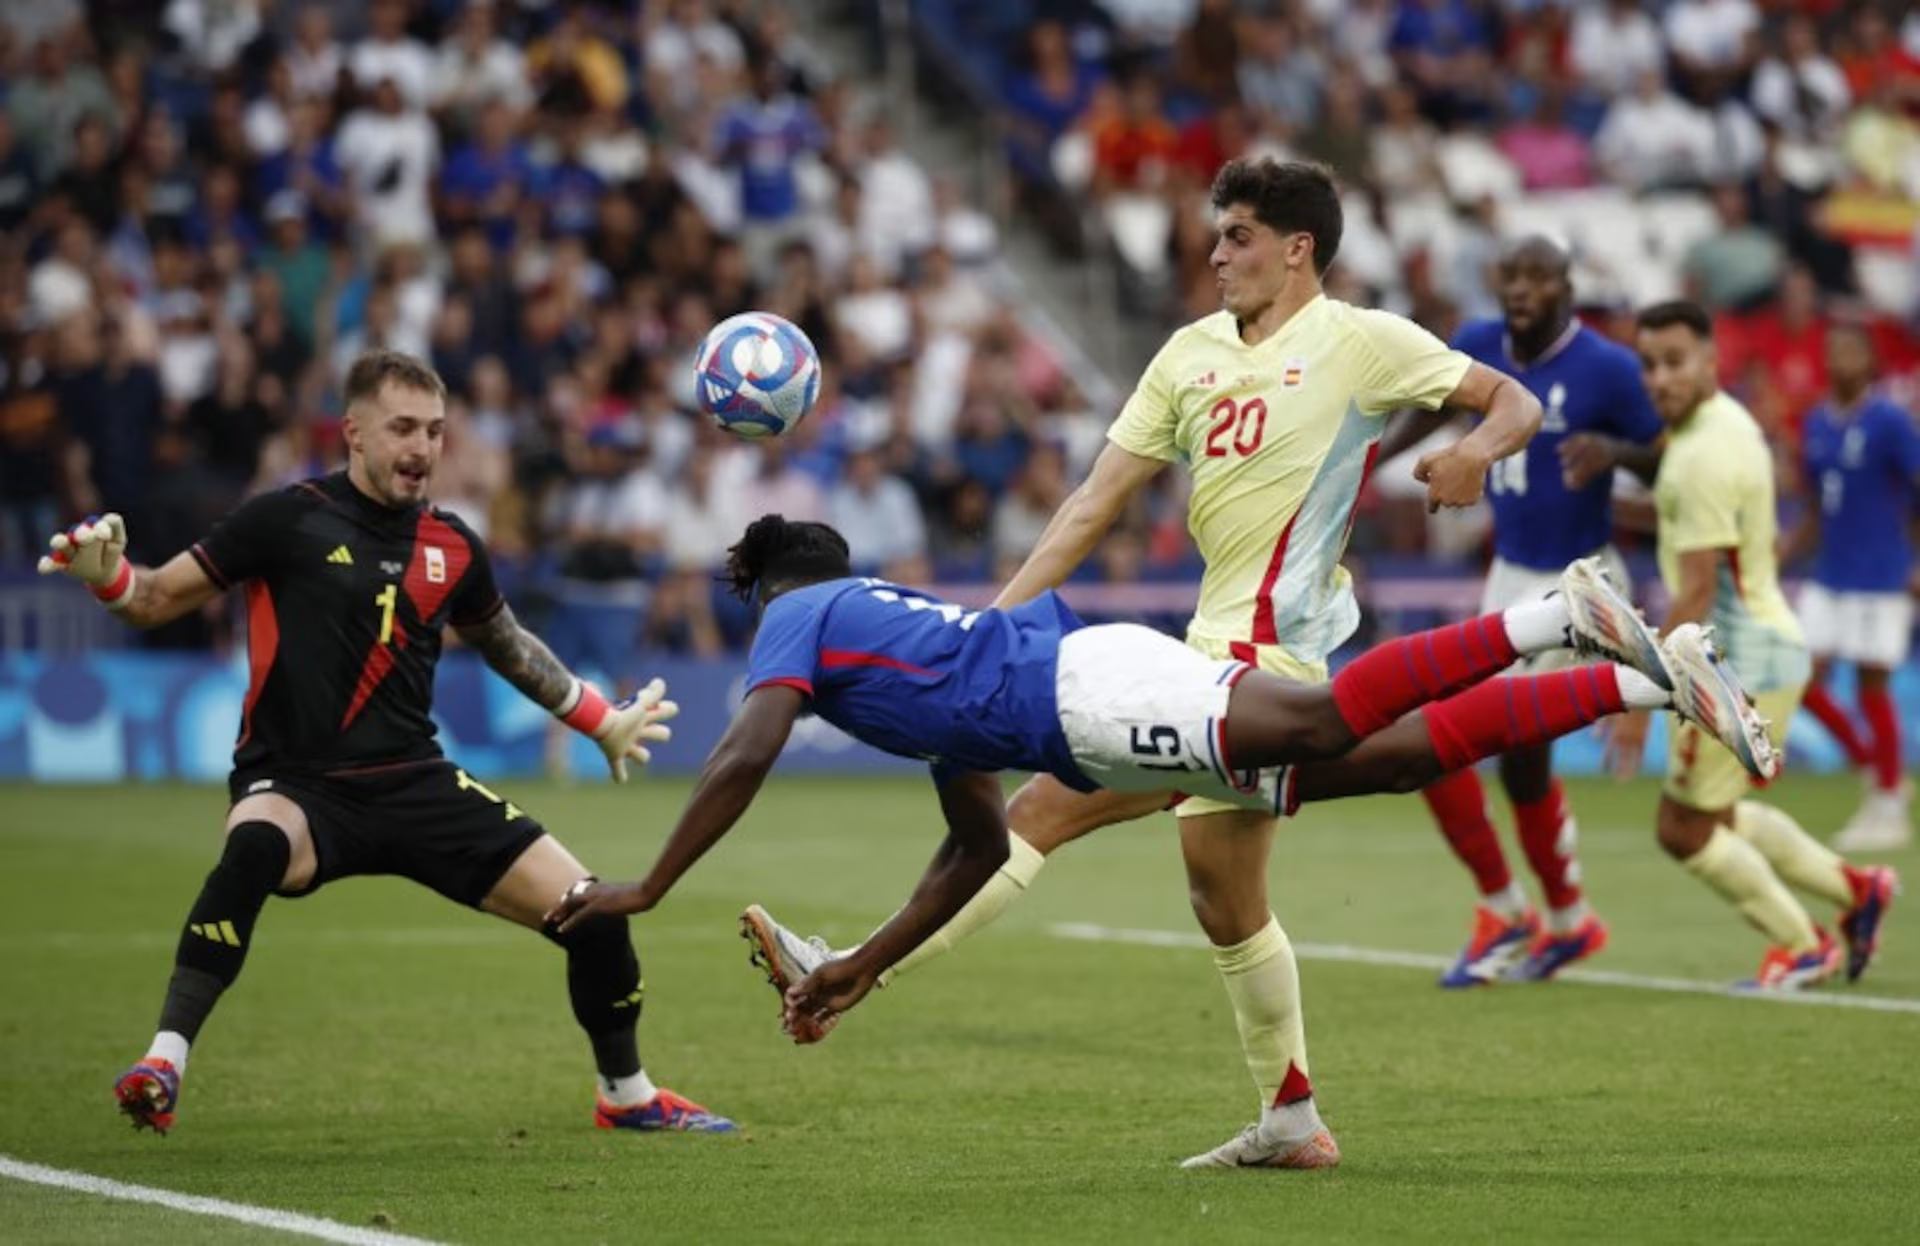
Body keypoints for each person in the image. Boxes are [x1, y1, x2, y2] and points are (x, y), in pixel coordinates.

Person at [706, 157, 1547, 1171]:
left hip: (1268, 649)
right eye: (1217, 232)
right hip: (1211, 641)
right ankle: (1291, 1116)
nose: (1216, 252)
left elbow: (1513, 401)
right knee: (1226, 901)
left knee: (1042, 812)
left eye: (1237, 234)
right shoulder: (1188, 355)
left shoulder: (1360, 340)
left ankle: (850, 967)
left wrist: (1474, 454)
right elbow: (1092, 504)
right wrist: (990, 623)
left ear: (1298, 250)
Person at [549, 515, 1772, 1167]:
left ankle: (1556, 611)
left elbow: (744, 749)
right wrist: (865, 965)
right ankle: (1649, 684)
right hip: (1089, 713)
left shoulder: (802, 611)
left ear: (773, 588)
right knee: (1376, 761)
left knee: (1329, 714)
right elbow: (974, 851)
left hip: (1090, 697)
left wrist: (651, 882)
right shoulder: (906, 663)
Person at [36, 350, 731, 1136]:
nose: (422, 448)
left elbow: (507, 646)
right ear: (354, 434)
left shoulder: (454, 544)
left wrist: (599, 719)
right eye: (403, 428)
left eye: (435, 431)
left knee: (594, 912)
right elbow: (157, 598)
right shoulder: (285, 517)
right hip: (298, 784)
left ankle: (628, 1096)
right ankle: (164, 1060)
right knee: (254, 851)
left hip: (414, 782)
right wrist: (111, 580)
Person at [1375, 235, 1666, 987]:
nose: (1522, 289)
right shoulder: (1479, 344)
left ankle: (1512, 913)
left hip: (1579, 581)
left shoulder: (1604, 365)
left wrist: (1613, 451)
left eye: (1539, 277)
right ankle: (1562, 919)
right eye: (1513, 276)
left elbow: (1661, 449)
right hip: (1507, 573)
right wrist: (1371, 462)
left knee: (1449, 736)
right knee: (1500, 753)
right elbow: (1438, 406)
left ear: (1568, 287)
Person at [1597, 303, 1898, 989]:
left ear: (1711, 361)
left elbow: (1697, 588)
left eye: (1676, 361)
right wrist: (1606, 496)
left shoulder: (1703, 452)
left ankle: (1803, 946)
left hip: (1734, 658)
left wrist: (1640, 700)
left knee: (1685, 829)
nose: (1659, 378)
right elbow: (1677, 512)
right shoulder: (1716, 426)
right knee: (1716, 814)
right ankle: (1857, 890)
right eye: (1649, 364)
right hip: (1755, 645)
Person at [1781, 323, 1920, 851]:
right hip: (1831, 572)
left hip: (1880, 572)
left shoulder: (1889, 421)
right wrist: (1784, 552)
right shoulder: (1816, 422)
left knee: (1872, 683)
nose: (1841, 359)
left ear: (1870, 362)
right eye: (1833, 350)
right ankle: (1873, 766)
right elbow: (1817, 504)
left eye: (1851, 351)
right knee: (1801, 677)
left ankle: (1888, 808)